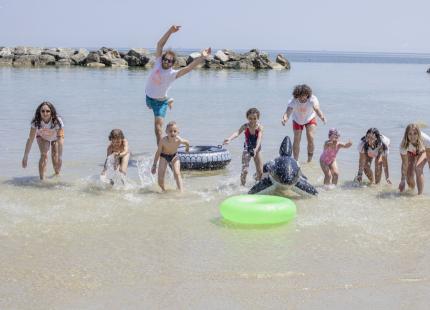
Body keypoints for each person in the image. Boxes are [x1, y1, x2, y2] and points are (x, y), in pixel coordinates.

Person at [145, 25, 211, 145]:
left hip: (160, 103)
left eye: (169, 61)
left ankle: (161, 152)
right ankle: (169, 99)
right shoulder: (158, 63)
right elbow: (160, 44)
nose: (166, 61)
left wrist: (202, 57)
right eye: (165, 59)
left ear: (172, 63)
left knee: (158, 129)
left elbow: (189, 68)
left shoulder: (172, 74)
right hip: (148, 97)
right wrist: (170, 31)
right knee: (150, 106)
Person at [281, 84, 326, 162]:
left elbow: (317, 109)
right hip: (297, 119)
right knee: (297, 139)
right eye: (300, 96)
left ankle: (309, 160)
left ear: (307, 94)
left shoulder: (312, 99)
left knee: (310, 137)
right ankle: (296, 161)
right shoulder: (293, 100)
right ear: (297, 95)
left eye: (304, 96)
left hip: (310, 118)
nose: (302, 98)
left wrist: (322, 117)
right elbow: (288, 111)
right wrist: (285, 118)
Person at [22, 101, 64, 180]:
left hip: (55, 137)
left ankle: (57, 175)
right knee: (44, 154)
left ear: (51, 112)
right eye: (43, 111)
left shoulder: (57, 120)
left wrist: (60, 158)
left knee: (55, 155)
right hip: (42, 137)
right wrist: (25, 156)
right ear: (40, 112)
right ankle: (42, 180)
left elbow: (61, 140)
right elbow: (30, 139)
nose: (45, 113)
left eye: (48, 111)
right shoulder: (36, 121)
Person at [223, 108, 264, 186]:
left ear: (258, 118)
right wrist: (229, 139)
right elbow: (237, 132)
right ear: (247, 118)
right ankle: (242, 186)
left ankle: (257, 185)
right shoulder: (245, 126)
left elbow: (259, 139)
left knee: (260, 171)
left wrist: (256, 149)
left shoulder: (260, 128)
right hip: (247, 149)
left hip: (257, 149)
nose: (252, 121)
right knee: (245, 170)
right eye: (250, 118)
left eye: (255, 118)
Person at [151, 121, 190, 192]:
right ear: (166, 132)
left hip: (174, 156)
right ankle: (163, 190)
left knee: (177, 173)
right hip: (164, 156)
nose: (172, 133)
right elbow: (158, 152)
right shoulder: (163, 141)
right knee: (160, 177)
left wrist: (187, 148)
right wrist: (154, 165)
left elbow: (187, 142)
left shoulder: (179, 140)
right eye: (170, 131)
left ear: (178, 132)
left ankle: (181, 190)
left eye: (175, 131)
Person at [398, 124, 430, 195]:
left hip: (423, 151)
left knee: (418, 168)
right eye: (410, 134)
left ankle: (419, 195)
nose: (412, 137)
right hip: (411, 153)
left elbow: (429, 159)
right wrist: (402, 180)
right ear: (406, 135)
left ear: (418, 133)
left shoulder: (427, 140)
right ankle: (411, 192)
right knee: (409, 177)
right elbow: (404, 163)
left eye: (415, 133)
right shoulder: (403, 145)